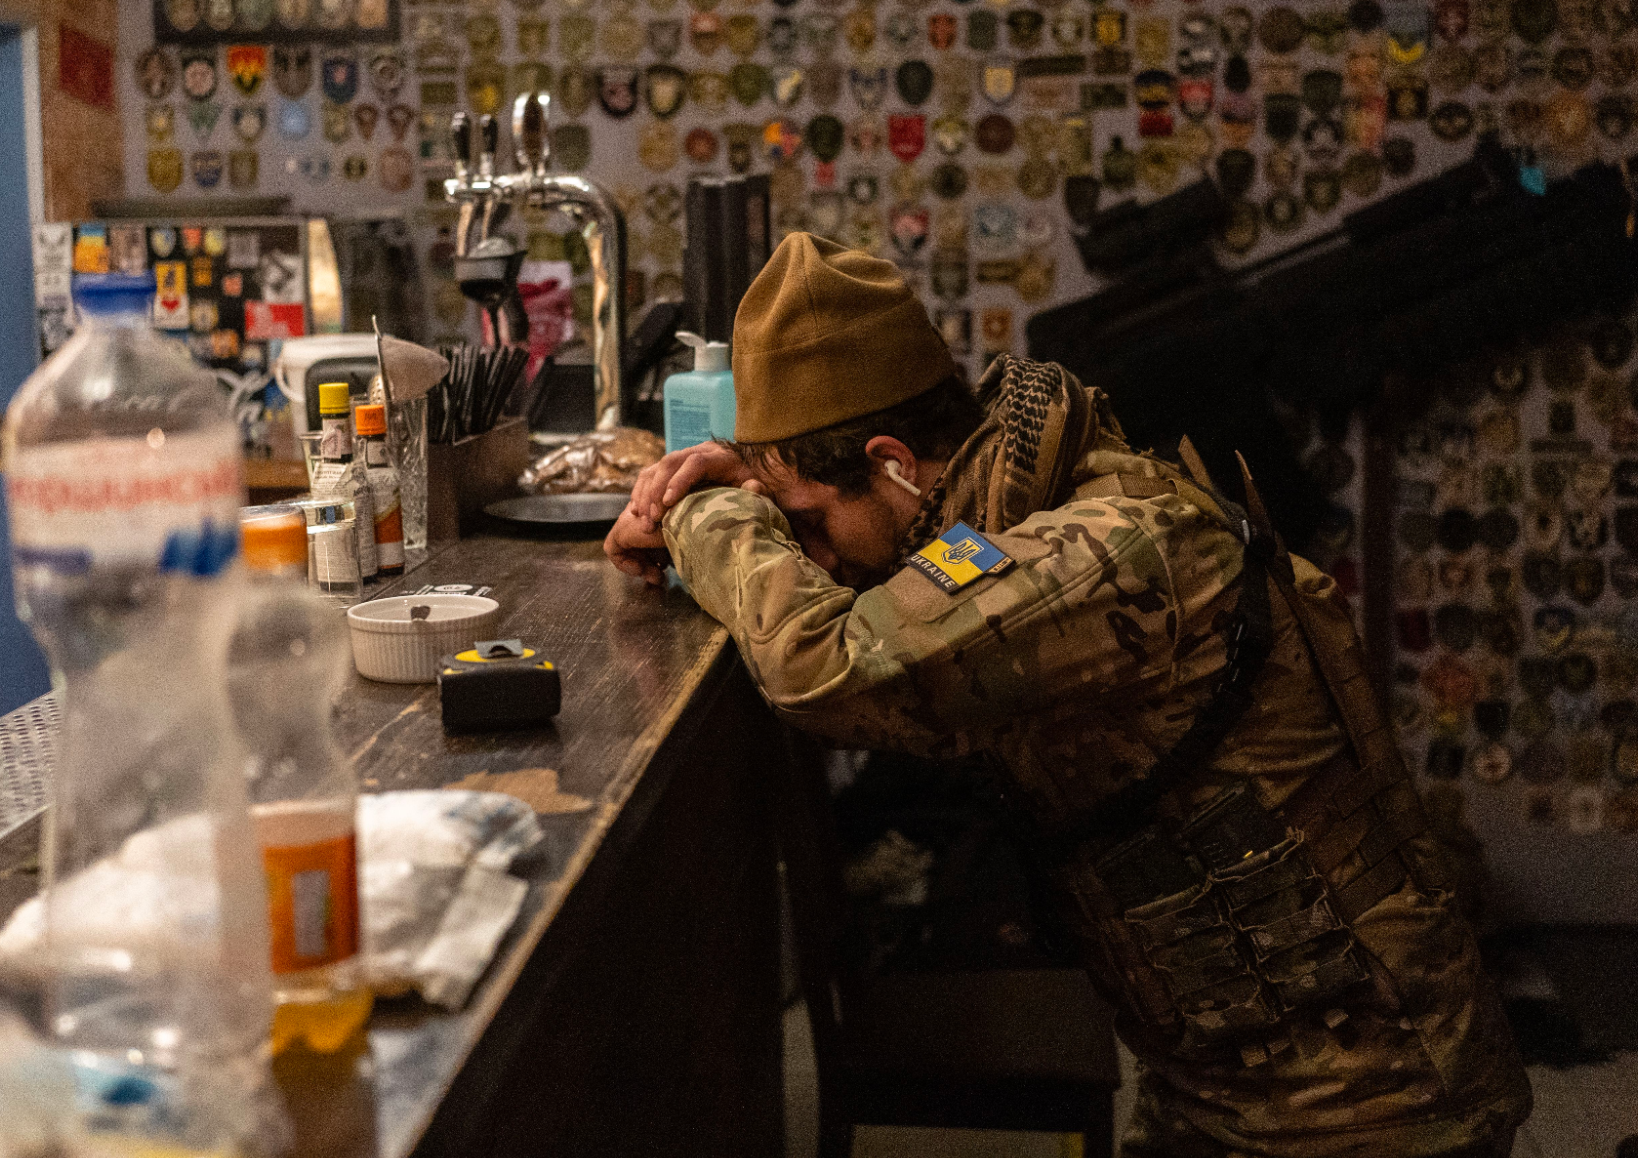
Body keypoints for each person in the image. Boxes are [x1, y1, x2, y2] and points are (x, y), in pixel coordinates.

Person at [605, 233, 1531, 1157]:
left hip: (1365, 1107)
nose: (819, 558)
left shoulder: (1103, 549)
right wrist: (744, 505)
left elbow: (824, 663)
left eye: (809, 522)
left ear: (890, 460)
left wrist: (701, 509)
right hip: (1227, 1080)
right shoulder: (998, 524)